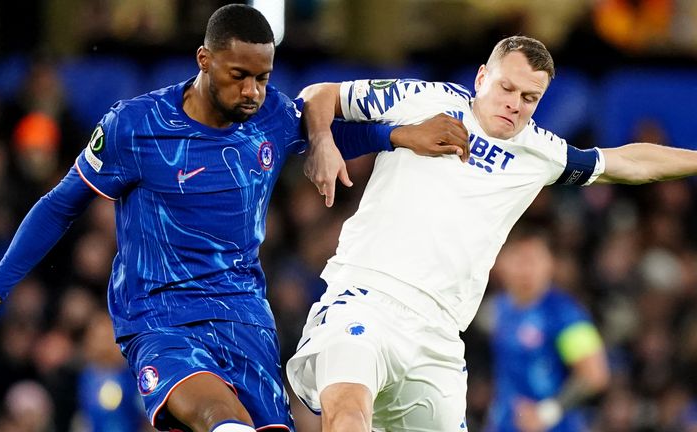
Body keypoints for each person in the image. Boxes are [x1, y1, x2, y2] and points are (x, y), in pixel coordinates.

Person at [0, 5, 468, 432]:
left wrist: (399, 134)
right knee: (222, 421)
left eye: (263, 78)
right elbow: (60, 204)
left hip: (244, 320)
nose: (253, 92)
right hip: (160, 317)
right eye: (239, 76)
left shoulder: (270, 115)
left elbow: (326, 131)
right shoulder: (137, 127)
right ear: (204, 59)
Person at [287, 35, 697, 432]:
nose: (514, 105)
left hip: (439, 335)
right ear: (482, 77)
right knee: (346, 417)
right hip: (365, 299)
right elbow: (321, 93)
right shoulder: (426, 99)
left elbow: (631, 163)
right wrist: (323, 141)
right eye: (507, 87)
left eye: (529, 98)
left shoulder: (542, 152)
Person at [486, 226, 609, 432]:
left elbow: (595, 374)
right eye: (519, 260)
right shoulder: (497, 309)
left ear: (550, 264)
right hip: (504, 424)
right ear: (500, 264)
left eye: (533, 260)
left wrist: (548, 412)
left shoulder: (566, 314)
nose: (526, 270)